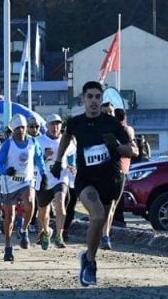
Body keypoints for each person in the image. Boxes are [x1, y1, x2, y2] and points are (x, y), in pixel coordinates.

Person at [51, 81, 137, 287]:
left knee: (99, 224)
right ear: (83, 99)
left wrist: (115, 145)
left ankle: (88, 256)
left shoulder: (112, 124)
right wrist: (57, 161)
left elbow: (134, 151)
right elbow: (65, 138)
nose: (94, 101)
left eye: (98, 97)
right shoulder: (75, 122)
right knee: (97, 216)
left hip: (111, 180)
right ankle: (91, 263)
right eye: (90, 97)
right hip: (86, 180)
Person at [0, 114, 46, 261]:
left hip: (26, 181)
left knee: (29, 204)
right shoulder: (8, 144)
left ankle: (24, 230)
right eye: (17, 128)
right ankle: (8, 246)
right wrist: (6, 171)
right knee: (9, 217)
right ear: (13, 130)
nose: (21, 131)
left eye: (22, 127)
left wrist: (44, 173)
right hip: (9, 183)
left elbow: (39, 159)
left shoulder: (32, 142)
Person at [100, 108, 137, 249]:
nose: (108, 114)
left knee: (111, 206)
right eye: (105, 112)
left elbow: (134, 150)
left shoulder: (122, 130)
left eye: (110, 112)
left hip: (117, 170)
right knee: (98, 207)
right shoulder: (90, 129)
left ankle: (105, 236)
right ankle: (99, 231)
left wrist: (117, 145)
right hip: (94, 172)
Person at [36, 114, 71, 249]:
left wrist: (72, 167)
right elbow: (33, 161)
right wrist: (44, 157)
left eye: (57, 124)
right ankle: (46, 231)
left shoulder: (66, 140)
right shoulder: (39, 141)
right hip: (44, 178)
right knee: (43, 211)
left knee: (60, 202)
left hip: (61, 177)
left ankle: (59, 235)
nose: (55, 127)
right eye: (52, 124)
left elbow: (72, 155)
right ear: (46, 126)